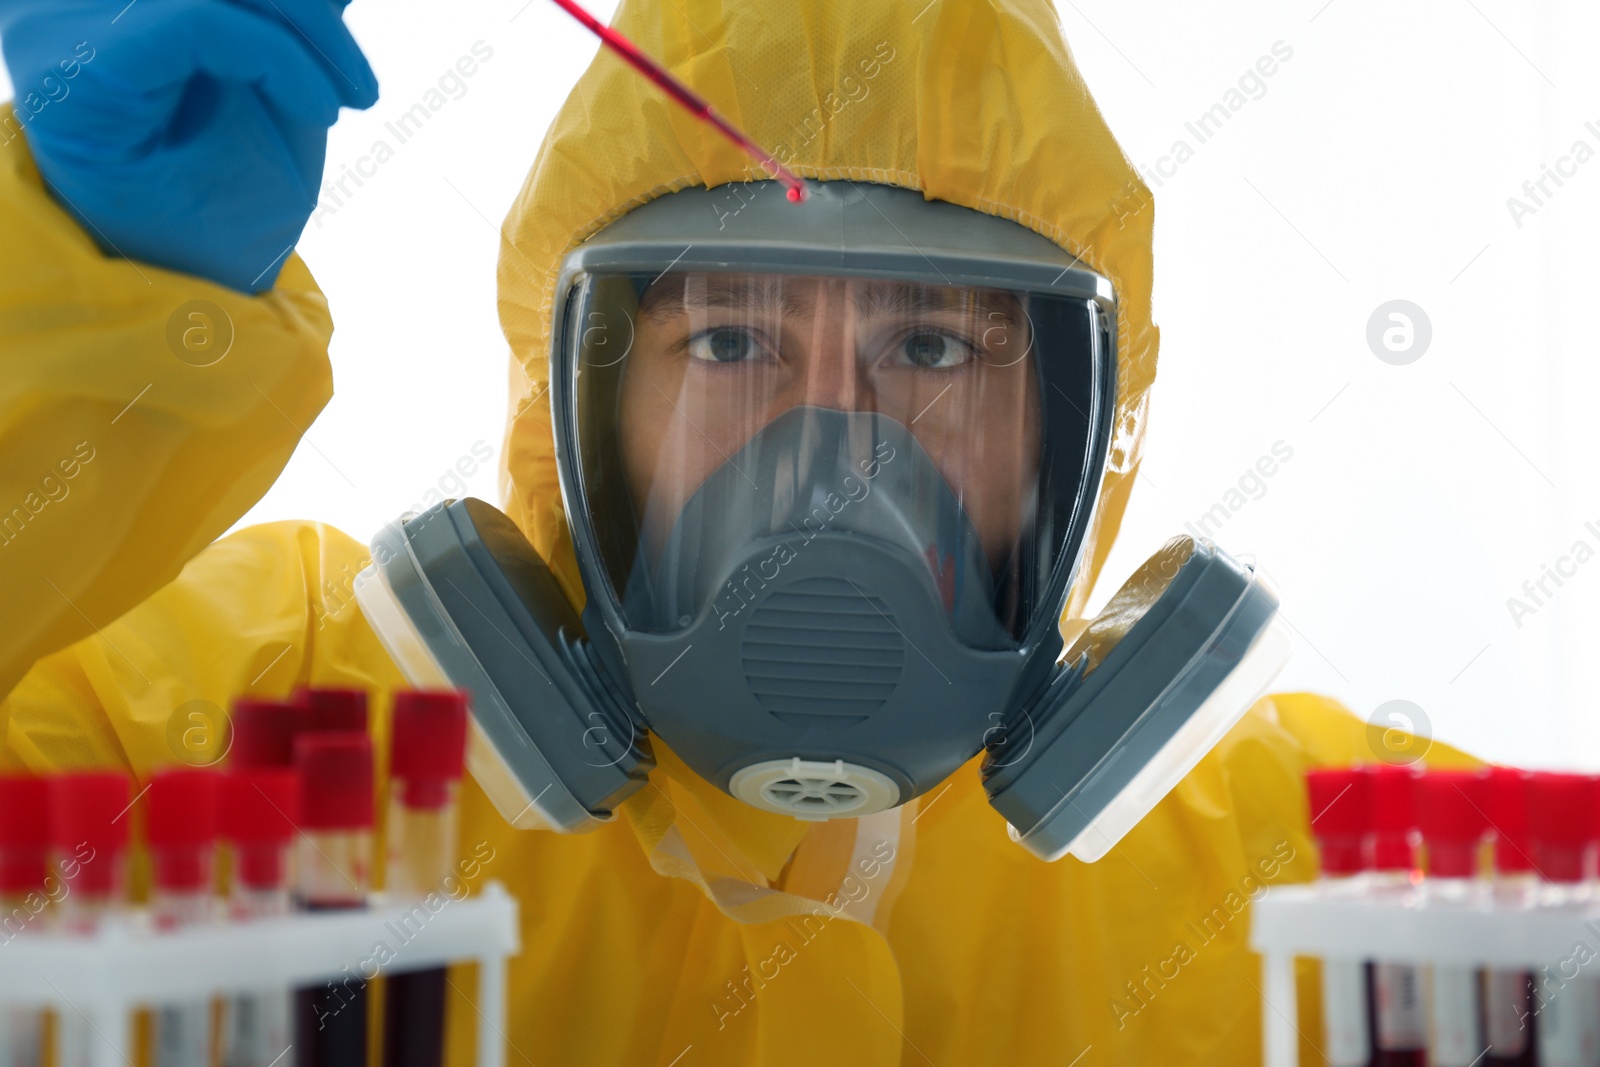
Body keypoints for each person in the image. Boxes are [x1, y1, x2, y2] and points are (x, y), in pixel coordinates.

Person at [0, 0, 1473, 1063]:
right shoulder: (255, 719)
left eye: (938, 351)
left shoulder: (1304, 873)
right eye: (727, 345)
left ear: (1079, 433)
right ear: (578, 409)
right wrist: (71, 303)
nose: (833, 455)